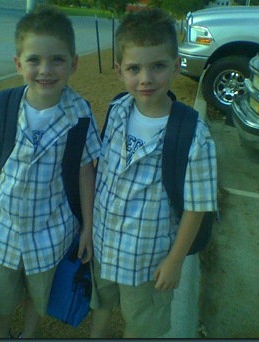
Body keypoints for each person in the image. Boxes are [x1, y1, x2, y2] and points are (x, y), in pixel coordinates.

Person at [0, 5, 101, 338]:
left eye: (57, 59)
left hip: (52, 231)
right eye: (34, 60)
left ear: (73, 63)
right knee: (3, 294)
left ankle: (29, 333)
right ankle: (2, 332)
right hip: (3, 227)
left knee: (40, 295)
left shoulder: (79, 114)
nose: (45, 70)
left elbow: (85, 173)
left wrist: (88, 229)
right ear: (18, 63)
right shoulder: (1, 108)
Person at [90, 9, 218, 338]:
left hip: (148, 260)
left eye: (158, 66)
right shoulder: (117, 110)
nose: (146, 78)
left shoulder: (193, 134)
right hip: (104, 247)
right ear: (119, 71)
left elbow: (198, 205)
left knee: (141, 324)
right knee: (102, 304)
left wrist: (175, 261)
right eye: (134, 68)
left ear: (176, 66)